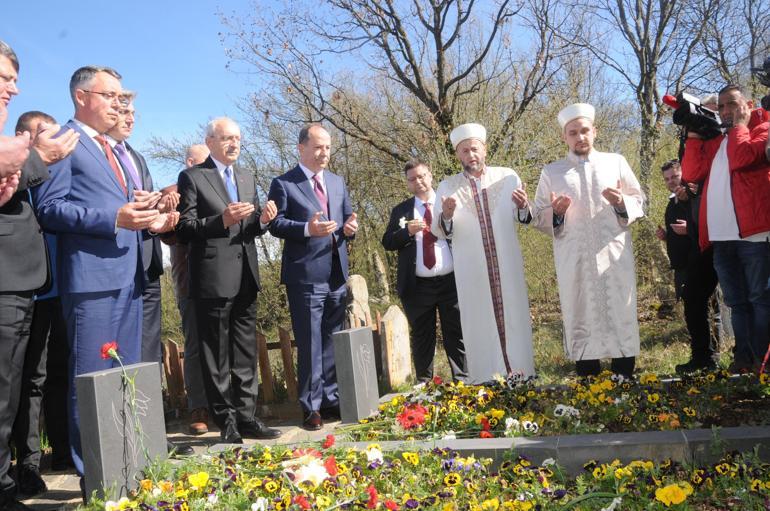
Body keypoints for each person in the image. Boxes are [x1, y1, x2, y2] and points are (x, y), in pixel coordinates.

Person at [32, 65, 177, 483]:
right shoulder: (64, 142)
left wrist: (144, 207)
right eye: (110, 95)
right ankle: (94, 476)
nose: (118, 103)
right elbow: (50, 209)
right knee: (92, 382)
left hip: (129, 276)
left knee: (125, 377)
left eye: (121, 96)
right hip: (91, 283)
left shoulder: (115, 150)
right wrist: (113, 216)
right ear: (82, 97)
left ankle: (128, 466)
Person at [0, 41, 78, 510]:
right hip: (12, 280)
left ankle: (18, 473)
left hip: (37, 285)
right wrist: (32, 162)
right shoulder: (24, 156)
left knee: (25, 383)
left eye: (13, 78)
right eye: (4, 78)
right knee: (16, 384)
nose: (13, 86)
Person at [176, 117, 281, 444]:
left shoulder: (247, 177)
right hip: (212, 279)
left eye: (237, 138)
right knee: (216, 356)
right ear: (210, 142)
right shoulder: (193, 177)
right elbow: (184, 228)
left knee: (245, 352)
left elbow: (246, 229)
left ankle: (248, 417)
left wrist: (262, 221)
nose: (234, 144)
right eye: (227, 138)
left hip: (246, 275)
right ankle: (227, 422)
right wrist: (221, 219)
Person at [530, 103, 644, 378]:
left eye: (584, 131)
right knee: (580, 309)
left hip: (613, 252)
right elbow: (537, 215)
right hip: (574, 256)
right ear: (564, 137)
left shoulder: (615, 161)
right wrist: (555, 213)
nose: (579, 137)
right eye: (573, 133)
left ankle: (624, 375)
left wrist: (621, 203)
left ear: (595, 131)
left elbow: (639, 200)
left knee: (620, 307)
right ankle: (588, 377)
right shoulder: (552, 171)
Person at [268, 124, 357, 430]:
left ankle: (331, 400)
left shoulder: (337, 181)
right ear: (301, 148)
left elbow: (347, 219)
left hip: (336, 272)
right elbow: (275, 225)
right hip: (305, 276)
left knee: (332, 341)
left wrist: (349, 230)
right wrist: (308, 229)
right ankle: (311, 406)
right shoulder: (284, 184)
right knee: (309, 343)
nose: (325, 154)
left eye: (329, 148)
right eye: (318, 147)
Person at [431, 123, 535, 383]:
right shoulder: (447, 187)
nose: (470, 155)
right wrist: (446, 215)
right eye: (464, 151)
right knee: (479, 323)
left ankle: (522, 376)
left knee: (514, 318)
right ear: (457, 154)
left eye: (474, 149)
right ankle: (487, 380)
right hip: (472, 273)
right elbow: (440, 230)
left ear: (484, 149)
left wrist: (524, 206)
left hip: (507, 267)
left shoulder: (507, 176)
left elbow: (523, 217)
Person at [681, 84, 770, 373]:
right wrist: (694, 134)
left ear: (748, 103)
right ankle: (744, 360)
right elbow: (692, 173)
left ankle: (763, 361)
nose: (726, 111)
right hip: (720, 237)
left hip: (752, 234)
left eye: (732, 104)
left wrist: (741, 125)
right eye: (721, 107)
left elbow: (743, 158)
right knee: (737, 303)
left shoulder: (763, 127)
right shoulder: (721, 139)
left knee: (759, 299)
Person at [11, 112, 74, 502]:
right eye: (42, 134)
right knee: (28, 381)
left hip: (58, 291)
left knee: (60, 374)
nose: (51, 140)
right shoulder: (14, 171)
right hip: (23, 292)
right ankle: (27, 463)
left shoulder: (57, 174)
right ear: (24, 137)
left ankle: (65, 449)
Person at [381, 159, 467, 382]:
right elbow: (388, 242)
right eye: (412, 179)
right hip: (418, 285)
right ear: (408, 183)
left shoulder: (449, 202)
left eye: (421, 176)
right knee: (422, 336)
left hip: (452, 281)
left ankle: (463, 380)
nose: (418, 182)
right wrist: (406, 232)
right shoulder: (401, 210)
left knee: (456, 333)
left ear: (430, 175)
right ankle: (424, 385)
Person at [162, 143, 210, 435]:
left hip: (224, 277)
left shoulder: (222, 184)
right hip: (190, 280)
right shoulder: (172, 193)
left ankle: (226, 405)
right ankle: (198, 408)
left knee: (225, 345)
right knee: (194, 347)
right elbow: (164, 234)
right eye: (204, 163)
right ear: (190, 162)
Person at [655, 160, 719, 373]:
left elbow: (707, 225)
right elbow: (681, 233)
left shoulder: (694, 195)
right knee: (692, 311)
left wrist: (690, 229)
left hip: (699, 261)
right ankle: (701, 356)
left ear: (683, 172)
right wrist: (667, 237)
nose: (671, 181)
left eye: (674, 176)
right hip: (682, 264)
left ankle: (710, 356)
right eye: (666, 179)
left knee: (707, 309)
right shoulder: (672, 202)